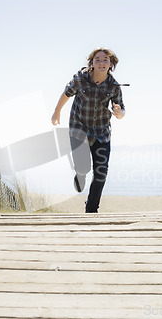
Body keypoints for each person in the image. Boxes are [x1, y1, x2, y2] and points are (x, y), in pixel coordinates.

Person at [51, 47, 125, 213]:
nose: (101, 62)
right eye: (97, 59)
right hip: (79, 129)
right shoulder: (80, 79)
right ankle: (80, 174)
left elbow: (122, 111)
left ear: (111, 64)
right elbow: (66, 93)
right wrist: (57, 111)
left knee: (101, 173)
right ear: (91, 63)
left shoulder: (114, 86)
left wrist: (119, 113)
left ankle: (91, 210)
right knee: (84, 167)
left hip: (101, 132)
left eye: (105, 59)